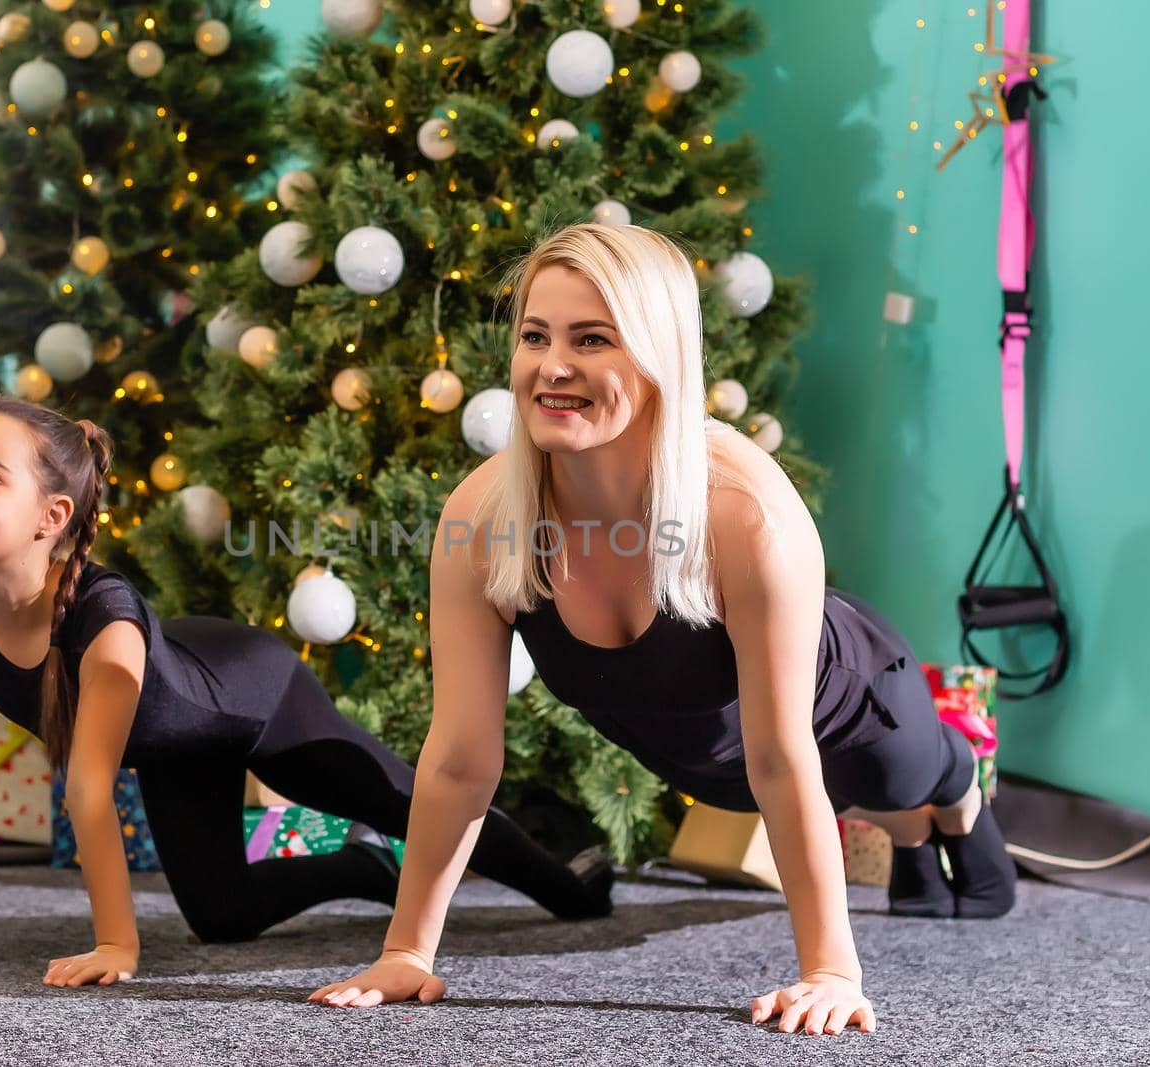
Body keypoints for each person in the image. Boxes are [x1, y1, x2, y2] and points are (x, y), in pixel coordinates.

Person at [308, 223, 1017, 1036]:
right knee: (845, 806)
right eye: (535, 336)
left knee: (897, 782)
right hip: (713, 762)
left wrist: (831, 971)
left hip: (853, 702)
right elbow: (463, 757)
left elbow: (786, 761)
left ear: (659, 355)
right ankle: (915, 845)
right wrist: (409, 951)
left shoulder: (744, 514)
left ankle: (957, 792)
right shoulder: (485, 518)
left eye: (593, 339)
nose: (553, 366)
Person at [0, 395, 612, 987]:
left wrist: (117, 944)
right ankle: (361, 868)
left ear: (51, 514)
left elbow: (87, 787)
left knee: (416, 801)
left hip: (250, 695)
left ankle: (565, 883)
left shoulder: (102, 624)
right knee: (220, 916)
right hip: (175, 745)